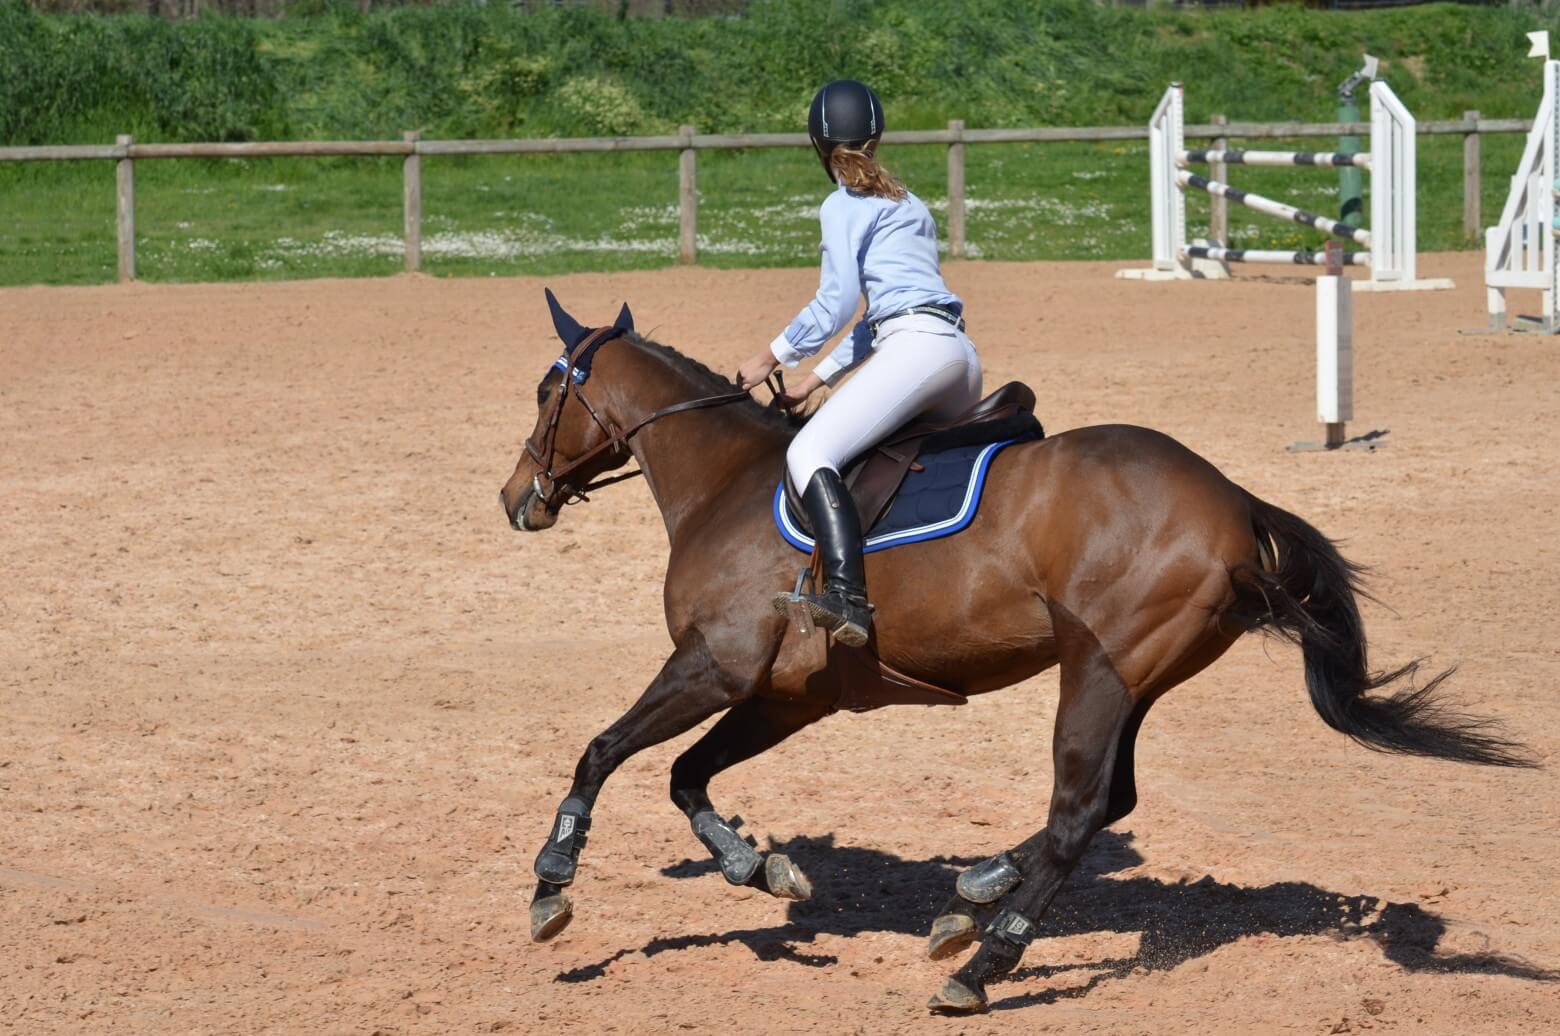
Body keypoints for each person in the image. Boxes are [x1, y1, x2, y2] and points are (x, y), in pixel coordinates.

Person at [736, 79, 983, 648]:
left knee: (809, 451)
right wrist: (812, 381)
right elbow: (880, 319)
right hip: (957, 360)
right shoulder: (907, 201)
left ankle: (847, 596)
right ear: (877, 137)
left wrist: (769, 356)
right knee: (874, 456)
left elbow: (838, 304)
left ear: (818, 145)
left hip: (916, 350)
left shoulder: (842, 203)